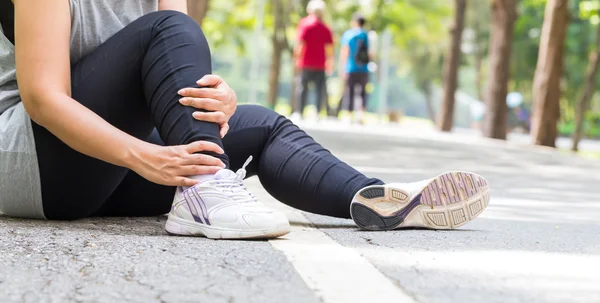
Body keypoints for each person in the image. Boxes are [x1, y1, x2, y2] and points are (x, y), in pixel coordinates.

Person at [0, 0, 490, 240]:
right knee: (167, 28)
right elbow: (43, 98)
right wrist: (145, 155)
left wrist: (222, 100)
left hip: (97, 168)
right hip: (32, 160)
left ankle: (379, 200)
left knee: (262, 126)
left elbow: (174, 77)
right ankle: (205, 192)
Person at [291, 0, 334, 120]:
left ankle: (299, 111)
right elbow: (329, 49)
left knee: (302, 87)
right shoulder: (326, 28)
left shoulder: (304, 24)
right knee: (319, 88)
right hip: (320, 63)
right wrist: (330, 62)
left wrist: (296, 59)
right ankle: (317, 112)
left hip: (306, 62)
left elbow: (300, 44)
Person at [339, 14, 373, 124]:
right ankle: (361, 115)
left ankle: (349, 115)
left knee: (350, 91)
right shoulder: (366, 35)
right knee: (362, 92)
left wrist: (342, 67)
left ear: (354, 22)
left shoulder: (349, 34)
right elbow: (370, 53)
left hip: (351, 68)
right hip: (364, 69)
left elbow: (345, 51)